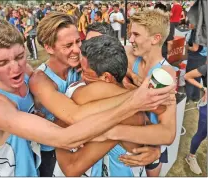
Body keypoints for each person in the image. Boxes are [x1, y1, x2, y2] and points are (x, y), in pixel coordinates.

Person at [0, 18, 173, 177]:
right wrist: (134, 101)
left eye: (19, 56)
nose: (15, 67)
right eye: (2, 63)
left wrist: (154, 150)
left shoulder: (73, 70)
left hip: (41, 163)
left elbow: (112, 66)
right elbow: (68, 131)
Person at [30, 12, 175, 177]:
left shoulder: (85, 62)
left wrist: (157, 150)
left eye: (79, 41)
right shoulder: (42, 79)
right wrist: (137, 96)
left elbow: (112, 62)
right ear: (48, 48)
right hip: (53, 149)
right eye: (68, 45)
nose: (77, 50)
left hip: (90, 150)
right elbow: (73, 115)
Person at [53, 34, 167, 177]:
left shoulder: (125, 115)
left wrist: (58, 137)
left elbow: (71, 168)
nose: (82, 77)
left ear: (106, 77)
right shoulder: (123, 96)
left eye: (86, 73)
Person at [118, 9, 176, 176]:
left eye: (136, 35)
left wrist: (124, 80)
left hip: (152, 142)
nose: (131, 39)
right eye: (130, 34)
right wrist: (130, 74)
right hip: (129, 137)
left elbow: (140, 101)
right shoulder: (130, 53)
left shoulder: (165, 72)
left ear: (155, 39)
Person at [184, 63, 207, 175]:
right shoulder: (206, 68)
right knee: (202, 133)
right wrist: (204, 88)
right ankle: (191, 156)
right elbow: (187, 76)